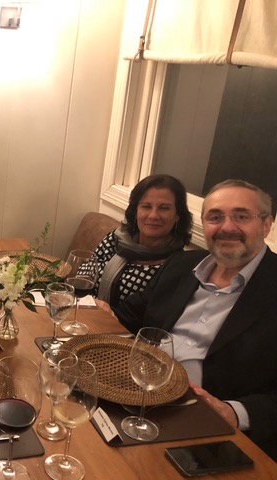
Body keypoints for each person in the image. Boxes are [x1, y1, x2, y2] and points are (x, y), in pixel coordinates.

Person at [111, 179, 277, 460]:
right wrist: (96, 309)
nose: (226, 227)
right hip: (138, 395)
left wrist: (235, 412)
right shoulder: (181, 264)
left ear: (266, 224)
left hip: (210, 429)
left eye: (241, 216)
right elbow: (131, 313)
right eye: (215, 217)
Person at [92, 174, 192, 308]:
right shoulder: (115, 239)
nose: (153, 215)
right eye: (146, 206)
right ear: (136, 211)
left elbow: (153, 315)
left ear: (177, 215)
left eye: (164, 208)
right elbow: (83, 278)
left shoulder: (177, 266)